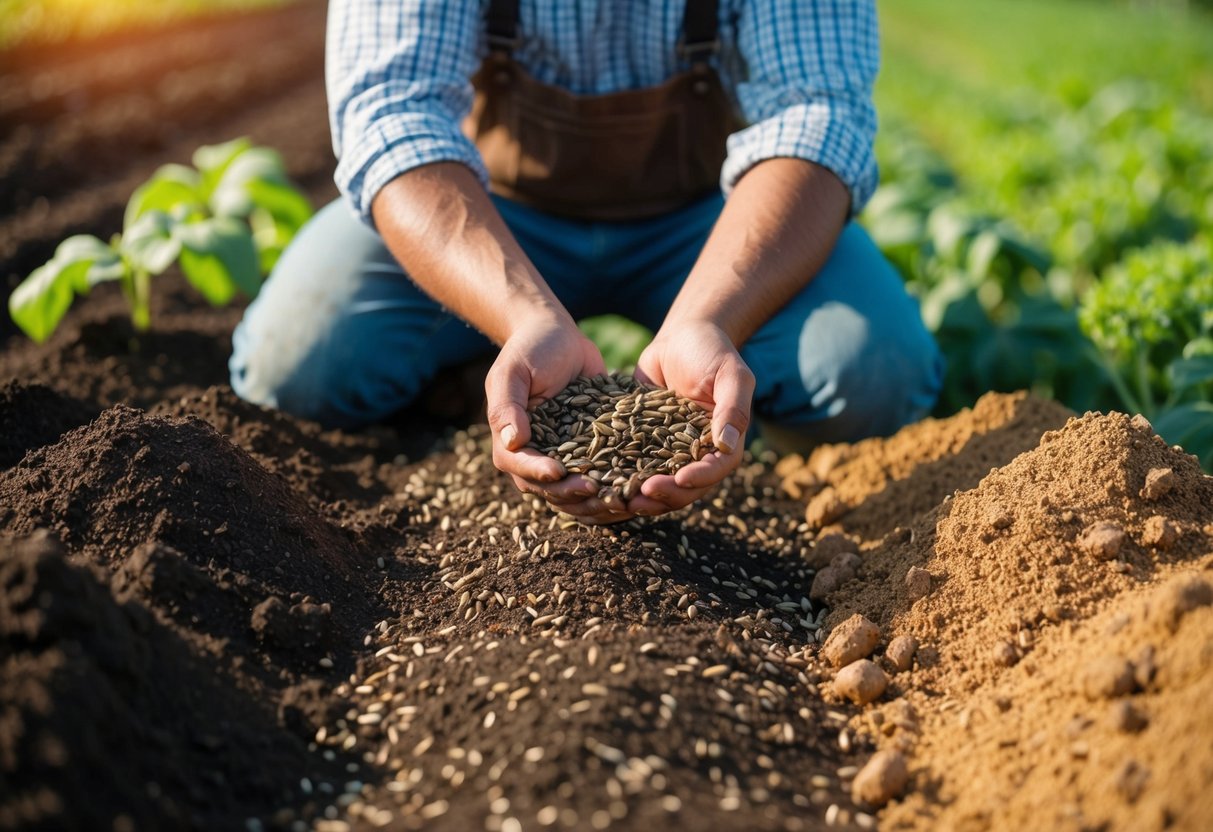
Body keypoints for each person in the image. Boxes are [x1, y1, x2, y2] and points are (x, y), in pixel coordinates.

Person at [229, 0, 943, 524]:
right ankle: (472, 363)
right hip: (488, 214)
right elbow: (391, 113)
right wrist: (522, 316)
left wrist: (707, 320)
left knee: (872, 373)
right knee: (297, 366)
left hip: (712, 219)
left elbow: (816, 113)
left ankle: (758, 427)